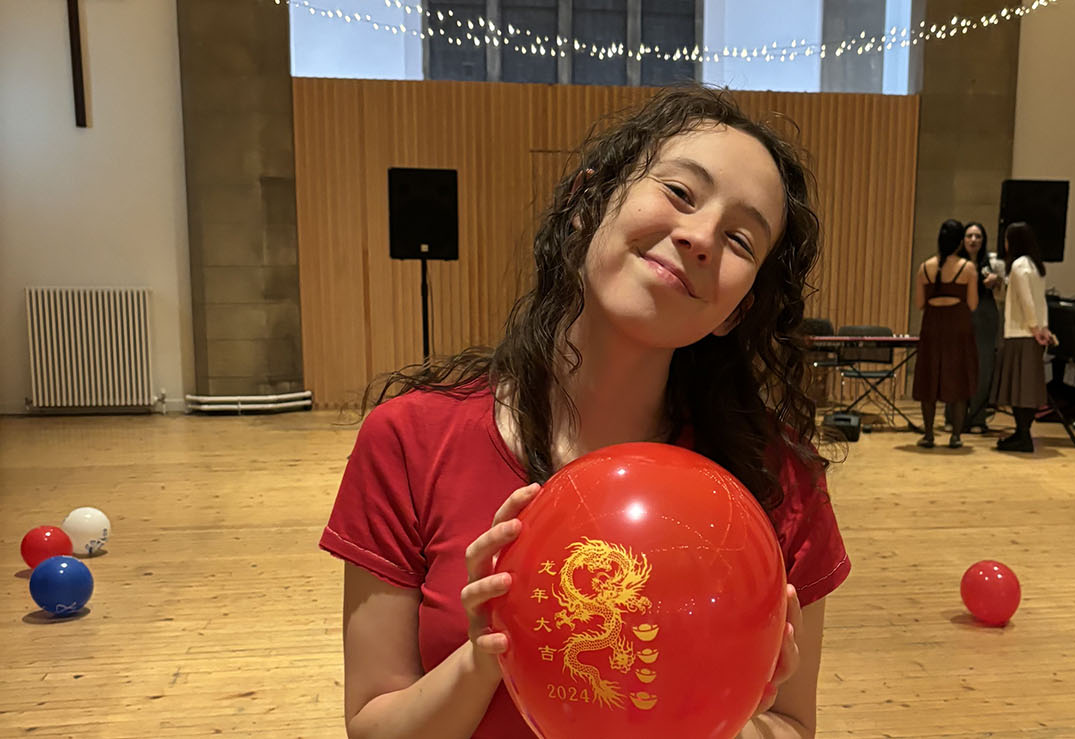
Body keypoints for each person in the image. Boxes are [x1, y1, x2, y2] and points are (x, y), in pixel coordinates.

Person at [319, 85, 851, 739]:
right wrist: (486, 653)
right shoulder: (409, 440)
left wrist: (730, 718)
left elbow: (792, 724)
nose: (700, 237)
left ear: (737, 309)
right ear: (586, 204)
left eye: (741, 238)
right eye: (680, 193)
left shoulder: (778, 483)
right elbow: (373, 727)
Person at [911, 219, 979, 448]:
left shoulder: (924, 267)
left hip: (932, 326)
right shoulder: (967, 268)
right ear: (960, 242)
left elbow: (920, 303)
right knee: (958, 378)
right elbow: (972, 303)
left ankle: (929, 434)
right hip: (958, 327)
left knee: (929, 377)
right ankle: (956, 436)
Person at [991, 221, 1051, 453]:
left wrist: (1034, 327)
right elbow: (1040, 301)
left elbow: (1027, 301)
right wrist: (1043, 328)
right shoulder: (1036, 266)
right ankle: (1021, 433)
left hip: (1020, 333)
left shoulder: (1017, 266)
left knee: (1019, 388)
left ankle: (1023, 435)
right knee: (1027, 387)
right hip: (1033, 334)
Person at [944, 222, 1002, 434]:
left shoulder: (994, 262)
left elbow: (1005, 294)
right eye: (969, 236)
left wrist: (997, 282)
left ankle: (978, 418)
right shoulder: (954, 262)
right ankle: (952, 417)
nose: (973, 240)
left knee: (983, 368)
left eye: (978, 236)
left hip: (985, 317)